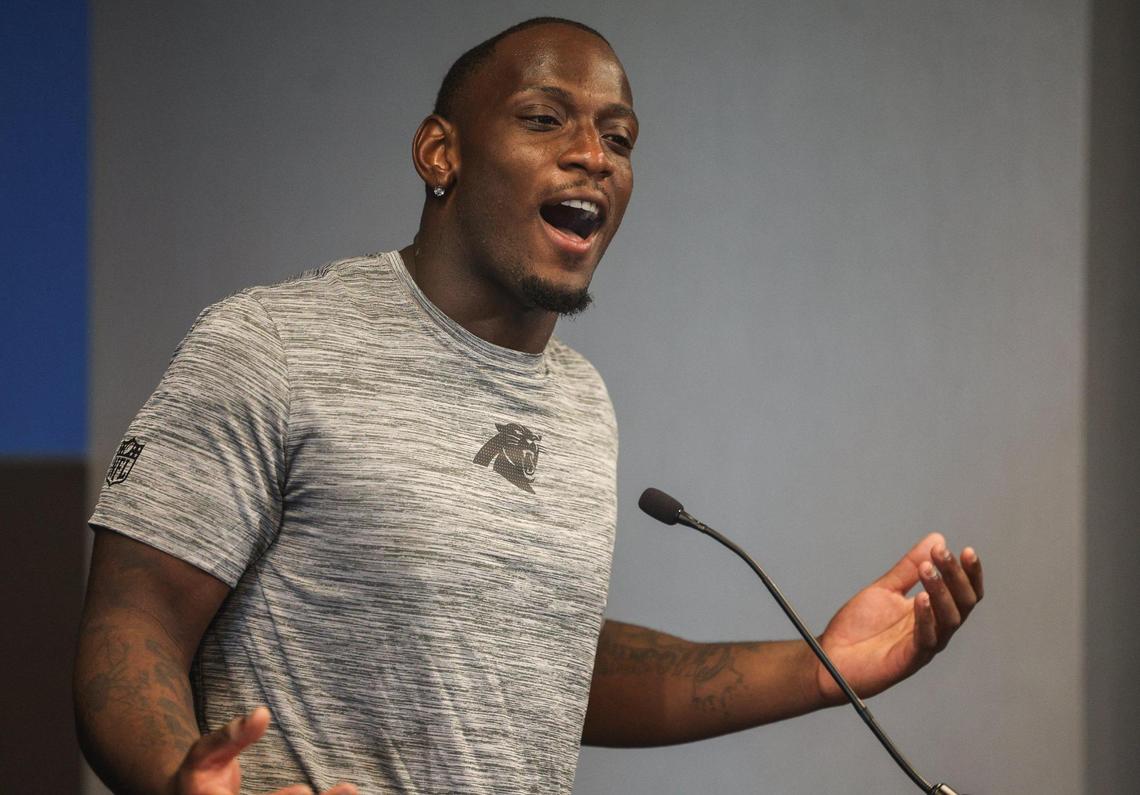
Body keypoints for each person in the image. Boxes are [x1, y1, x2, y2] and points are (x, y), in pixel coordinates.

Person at [74, 17, 984, 795]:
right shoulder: (270, 345)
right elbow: (133, 618)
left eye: (620, 138)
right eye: (545, 119)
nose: (593, 155)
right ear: (441, 154)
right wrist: (177, 776)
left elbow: (541, 662)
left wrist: (821, 667)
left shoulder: (582, 402)